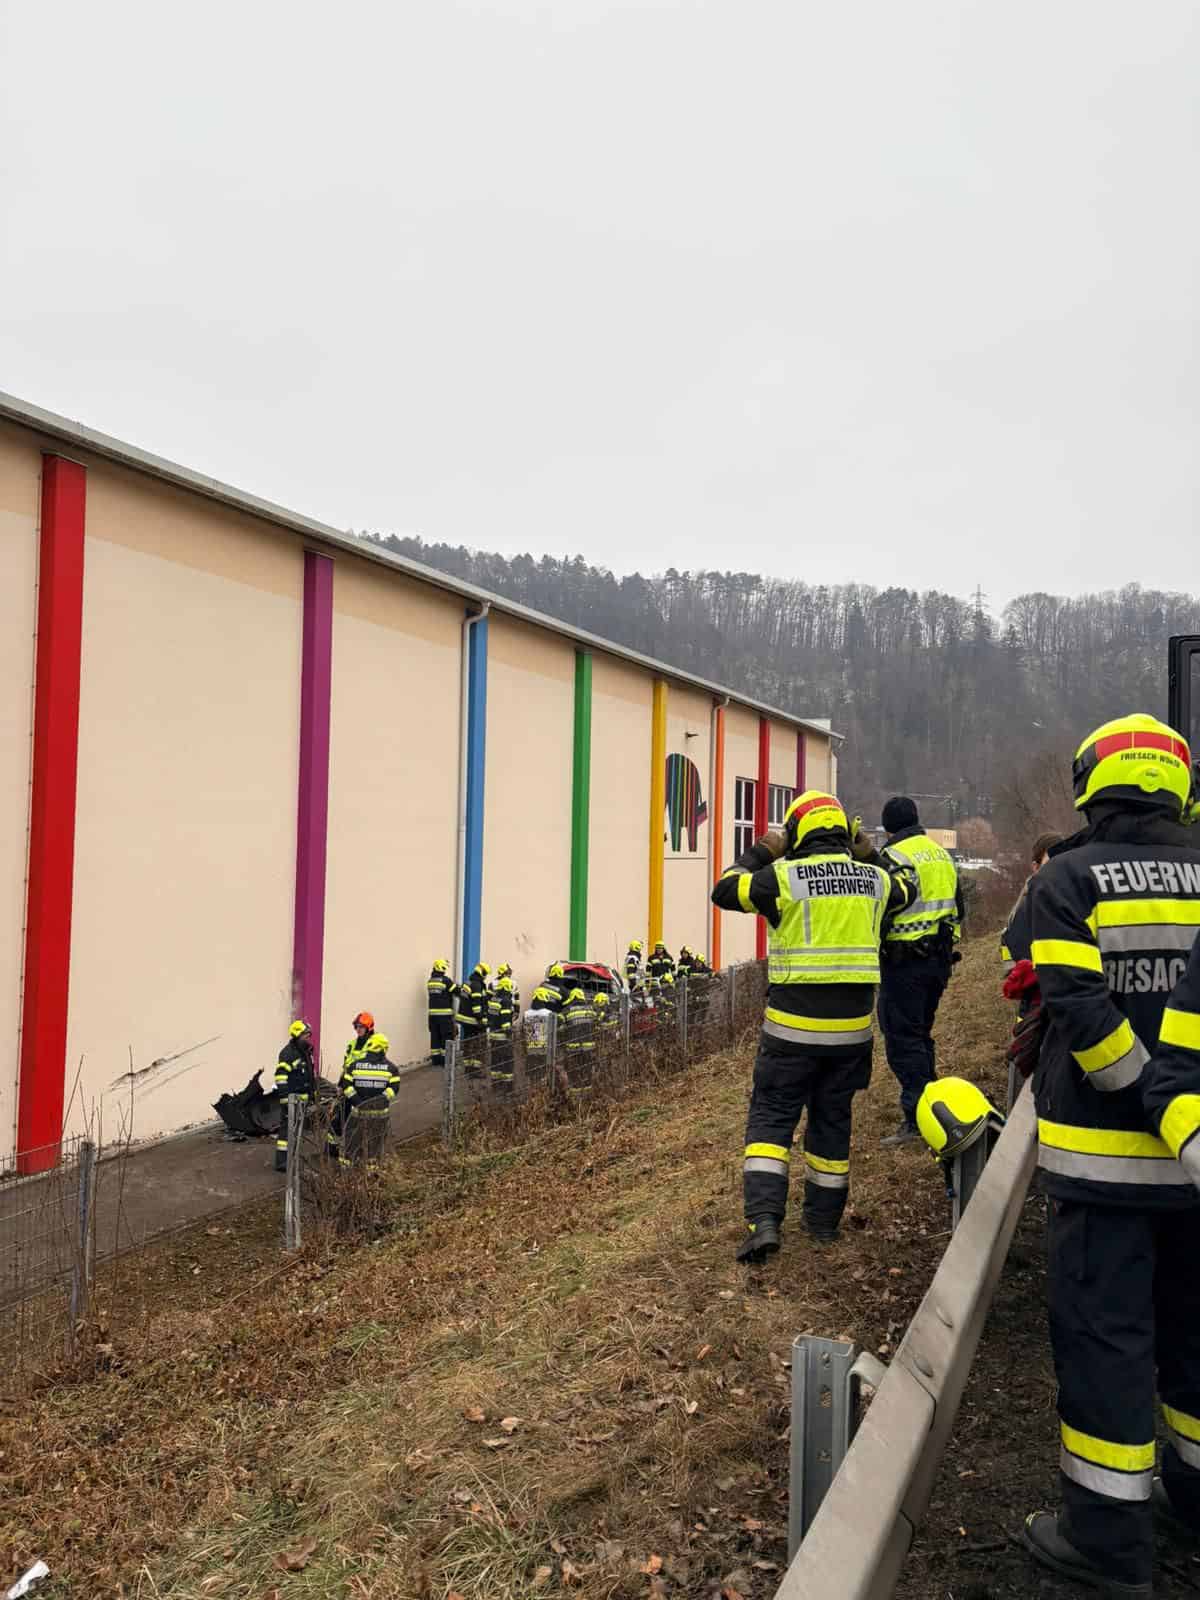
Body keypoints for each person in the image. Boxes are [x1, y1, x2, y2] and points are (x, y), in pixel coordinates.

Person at [1019, 713, 1200, 1599]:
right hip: (1197, 1170)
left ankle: (1108, 1545)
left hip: (1105, 1175)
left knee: (1106, 1353)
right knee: (1197, 1346)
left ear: (1092, 781)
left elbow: (1080, 1009)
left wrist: (1144, 1096)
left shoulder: (1067, 879)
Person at [712, 789, 916, 1261]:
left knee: (772, 1120)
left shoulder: (781, 877)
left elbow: (725, 888)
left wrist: (766, 848)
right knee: (832, 1121)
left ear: (797, 832)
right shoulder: (874, 881)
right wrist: (869, 851)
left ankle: (764, 1222)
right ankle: (822, 1225)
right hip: (852, 1035)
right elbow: (908, 888)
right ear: (844, 832)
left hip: (790, 1032)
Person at [855, 796, 963, 1147]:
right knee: (920, 1034)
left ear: (887, 827)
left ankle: (919, 1118)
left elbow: (884, 906)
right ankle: (933, 1104)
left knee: (903, 1039)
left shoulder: (894, 857)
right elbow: (959, 907)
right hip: (939, 960)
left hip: (905, 964)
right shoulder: (940, 854)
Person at [1000, 831, 1064, 973]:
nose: (1059, 868)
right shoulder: (1026, 910)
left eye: (1063, 860)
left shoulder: (1076, 898)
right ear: (1036, 867)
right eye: (1052, 863)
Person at [340, 1031, 401, 1169]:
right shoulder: (391, 1068)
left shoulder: (354, 1065)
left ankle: (346, 1169)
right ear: (383, 1049)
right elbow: (394, 1089)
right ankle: (371, 1172)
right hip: (379, 1114)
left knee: (352, 1141)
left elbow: (346, 1086)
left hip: (358, 1112)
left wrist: (358, 1101)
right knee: (375, 1143)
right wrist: (379, 1101)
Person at [326, 1010, 374, 1160]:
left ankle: (358, 1151)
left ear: (369, 1028)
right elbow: (346, 1066)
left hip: (364, 1088)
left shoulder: (374, 1045)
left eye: (361, 1027)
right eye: (356, 1027)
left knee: (360, 1121)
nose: (358, 1029)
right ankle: (330, 1148)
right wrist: (340, 1084)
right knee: (339, 1117)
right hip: (348, 1086)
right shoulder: (352, 1045)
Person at [273, 1020, 315, 1172]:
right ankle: (282, 1162)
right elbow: (280, 1077)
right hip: (291, 1100)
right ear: (298, 1035)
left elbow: (309, 1075)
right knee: (287, 1131)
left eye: (309, 1034)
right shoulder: (288, 1053)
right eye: (305, 1034)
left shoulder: (306, 1051)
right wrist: (286, 1099)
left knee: (297, 1131)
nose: (308, 1037)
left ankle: (293, 1158)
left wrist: (313, 1094)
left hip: (303, 1099)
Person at [560, 985, 596, 1101]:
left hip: (572, 1048)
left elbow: (560, 1029)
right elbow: (596, 1025)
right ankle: (588, 1097)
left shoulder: (566, 1010)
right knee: (587, 1071)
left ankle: (575, 1099)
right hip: (588, 1047)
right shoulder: (590, 1009)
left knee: (574, 1073)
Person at [488, 970, 517, 1095]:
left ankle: (496, 1085)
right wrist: (510, 1032)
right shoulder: (506, 1000)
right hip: (503, 1038)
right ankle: (508, 1088)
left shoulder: (494, 999)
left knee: (495, 1061)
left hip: (493, 1035)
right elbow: (505, 1022)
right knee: (507, 1062)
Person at [426, 959, 457, 1068]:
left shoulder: (430, 981)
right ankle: (446, 1061)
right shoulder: (446, 980)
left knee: (435, 1037)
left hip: (432, 1015)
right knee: (446, 1037)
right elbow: (456, 991)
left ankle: (436, 1060)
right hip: (444, 1015)